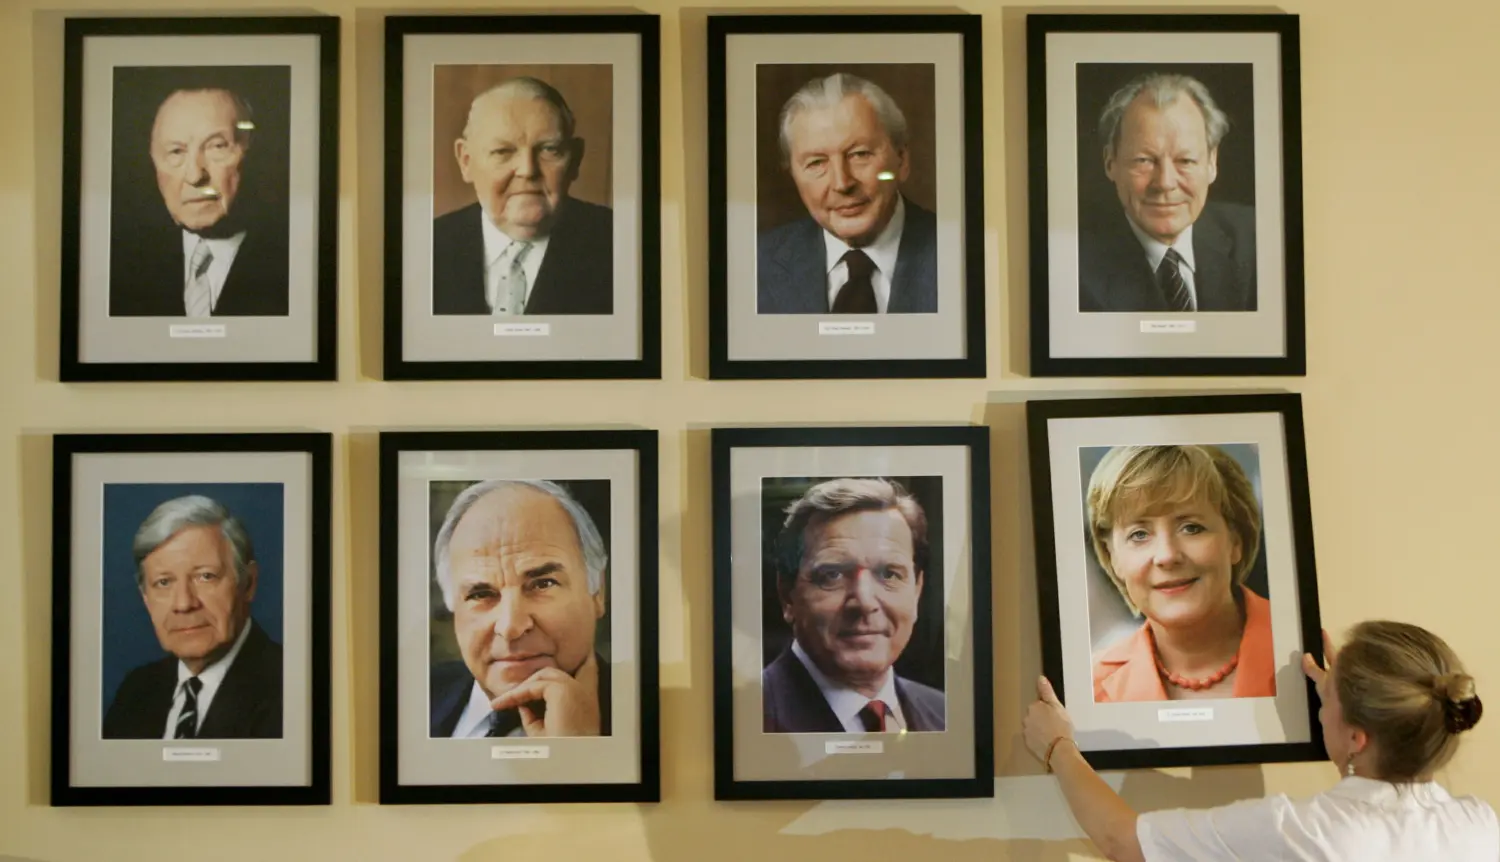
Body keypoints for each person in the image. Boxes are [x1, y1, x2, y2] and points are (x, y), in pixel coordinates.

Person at [1023, 621, 1498, 861]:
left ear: (1357, 736)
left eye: (1325, 698)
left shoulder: (1308, 831)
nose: (1318, 705)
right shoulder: (1480, 826)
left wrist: (1058, 747)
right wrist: (1347, 698)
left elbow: (1122, 840)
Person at [1085, 445, 1274, 703]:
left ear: (1235, 541)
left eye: (1191, 528)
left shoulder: (1298, 651)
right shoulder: (1089, 689)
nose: (1167, 555)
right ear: (1112, 557)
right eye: (1139, 534)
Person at [428, 480, 611, 738]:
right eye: (480, 594)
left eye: (543, 584)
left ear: (597, 592)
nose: (511, 627)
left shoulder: (658, 714)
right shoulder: (413, 697)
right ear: (452, 605)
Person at [762, 478, 944, 733]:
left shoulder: (947, 715)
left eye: (890, 574)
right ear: (788, 596)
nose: (865, 602)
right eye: (832, 575)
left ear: (916, 591)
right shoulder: (746, 719)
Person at [102, 495, 283, 739]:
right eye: (163, 582)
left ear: (248, 583)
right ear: (145, 597)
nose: (184, 603)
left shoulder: (291, 686)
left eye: (205, 576)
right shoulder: (136, 691)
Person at [757, 73, 937, 315]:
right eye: (816, 163)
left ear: (902, 161)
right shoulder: (756, 265)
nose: (842, 183)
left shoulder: (960, 252)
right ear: (793, 174)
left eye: (860, 154)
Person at [432, 78, 614, 316]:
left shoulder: (622, 243)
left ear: (575, 160)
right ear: (466, 161)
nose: (528, 170)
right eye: (503, 152)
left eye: (549, 149)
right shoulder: (426, 248)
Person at [1080, 72, 1256, 313]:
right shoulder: (1072, 268)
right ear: (1111, 162)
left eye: (1185, 160)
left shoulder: (1258, 241)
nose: (1164, 183)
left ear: (1212, 162)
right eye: (1143, 160)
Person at [109, 85, 290, 317]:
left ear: (251, 152)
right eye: (176, 152)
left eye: (217, 146)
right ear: (153, 161)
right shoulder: (123, 268)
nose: (195, 176)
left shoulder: (291, 262)